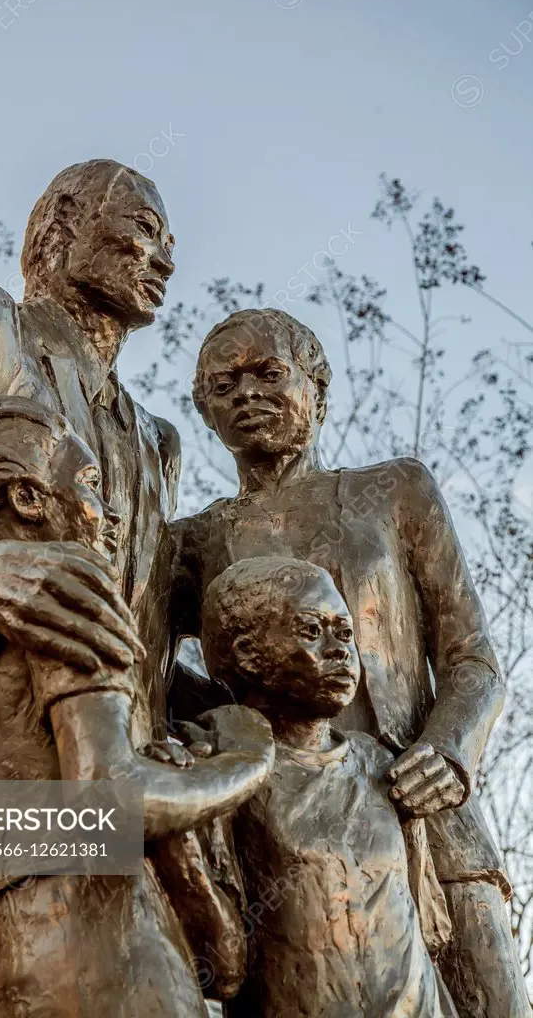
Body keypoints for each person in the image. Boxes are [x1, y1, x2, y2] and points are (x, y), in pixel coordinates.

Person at [0, 160, 242, 1017]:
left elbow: (134, 650)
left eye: (173, 242)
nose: (167, 260)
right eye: (145, 229)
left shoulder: (159, 444)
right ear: (56, 231)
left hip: (131, 805)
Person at [172, 307, 530, 1017]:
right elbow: (145, 670)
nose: (246, 394)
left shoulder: (396, 492)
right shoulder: (197, 539)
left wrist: (450, 749)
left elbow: (473, 660)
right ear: (204, 408)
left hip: (423, 812)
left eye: (269, 373)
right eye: (223, 384)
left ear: (319, 389)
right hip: (286, 843)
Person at [0, 394, 272, 1017]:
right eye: (88, 486)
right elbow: (109, 802)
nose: (109, 514)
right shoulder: (66, 587)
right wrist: (246, 758)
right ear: (29, 499)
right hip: (106, 945)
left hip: (14, 947)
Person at [201, 555, 458, 1017]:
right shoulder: (222, 759)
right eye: (310, 629)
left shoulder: (381, 765)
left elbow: (426, 932)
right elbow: (221, 965)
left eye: (345, 633)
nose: (340, 650)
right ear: (247, 653)